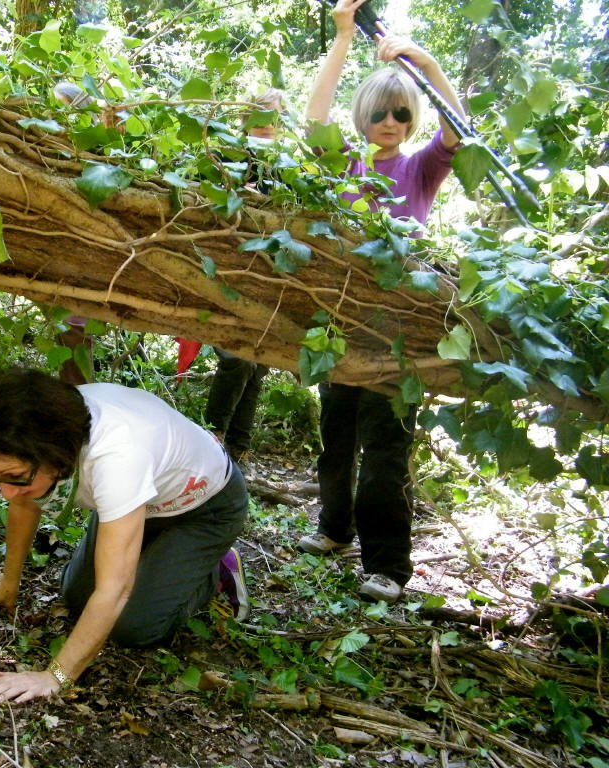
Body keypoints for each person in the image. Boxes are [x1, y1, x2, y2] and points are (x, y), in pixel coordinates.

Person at [296, 0, 465, 603]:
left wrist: (426, 63)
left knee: (387, 451)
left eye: (401, 113)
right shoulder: (345, 164)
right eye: (379, 113)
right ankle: (334, 530)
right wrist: (343, 36)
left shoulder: (421, 170)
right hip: (342, 321)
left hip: (399, 328)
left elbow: (458, 129)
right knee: (336, 439)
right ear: (363, 116)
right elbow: (315, 119)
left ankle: (387, 566)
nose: (389, 122)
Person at [0, 369, 250, 703]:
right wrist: (8, 581)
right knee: (76, 596)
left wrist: (55, 676)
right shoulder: (49, 422)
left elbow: (114, 591)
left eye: (15, 476)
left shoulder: (116, 455)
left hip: (204, 508)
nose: (6, 492)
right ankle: (162, 559)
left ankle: (214, 570)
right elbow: (24, 502)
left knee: (133, 626)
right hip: (143, 502)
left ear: (54, 454)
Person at [202, 90, 286, 462]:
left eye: (273, 116)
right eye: (258, 114)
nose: (265, 123)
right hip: (231, 270)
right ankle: (214, 434)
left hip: (269, 277)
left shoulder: (289, 165)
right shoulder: (228, 155)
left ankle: (237, 449)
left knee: (257, 363)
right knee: (236, 356)